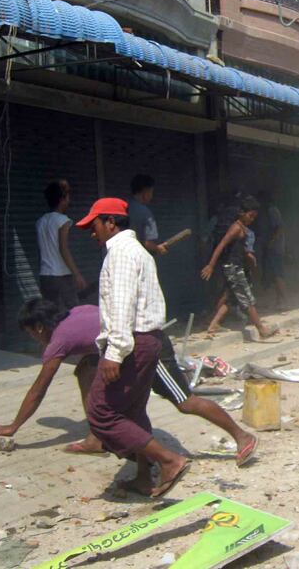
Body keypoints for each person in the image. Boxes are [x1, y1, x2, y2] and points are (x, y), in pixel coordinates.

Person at [0, 299, 258, 475]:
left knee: (184, 402)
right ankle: (98, 440)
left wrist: (13, 426)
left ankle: (241, 436)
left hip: (148, 348)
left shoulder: (59, 339)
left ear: (38, 327)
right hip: (125, 350)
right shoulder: (75, 312)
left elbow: (39, 387)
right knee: (86, 370)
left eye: (30, 334)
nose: (34, 339)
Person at [74, 197, 189, 498]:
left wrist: (114, 352)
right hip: (144, 340)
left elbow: (122, 306)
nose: (92, 232)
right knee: (134, 411)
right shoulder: (134, 251)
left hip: (131, 342)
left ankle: (169, 460)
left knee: (101, 413)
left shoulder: (122, 254)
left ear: (110, 222)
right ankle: (142, 476)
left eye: (94, 225)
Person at [202, 196, 277, 339]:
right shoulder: (236, 227)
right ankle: (262, 330)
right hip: (233, 268)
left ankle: (213, 324)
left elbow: (239, 248)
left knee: (230, 297)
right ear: (242, 213)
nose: (252, 219)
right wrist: (211, 265)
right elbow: (221, 245)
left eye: (254, 217)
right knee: (247, 298)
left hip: (235, 266)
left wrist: (249, 257)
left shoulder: (243, 229)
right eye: (250, 216)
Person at [36, 179, 87, 309]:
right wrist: (77, 274)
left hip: (45, 276)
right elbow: (63, 249)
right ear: (62, 199)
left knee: (51, 313)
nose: (69, 201)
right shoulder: (62, 220)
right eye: (68, 197)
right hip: (61, 275)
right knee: (72, 312)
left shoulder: (40, 221)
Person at [259, 191, 288, 310]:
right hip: (275, 247)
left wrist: (271, 243)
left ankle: (284, 300)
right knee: (274, 275)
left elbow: (279, 228)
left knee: (277, 274)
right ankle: (279, 300)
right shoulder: (271, 210)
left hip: (275, 248)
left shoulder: (272, 210)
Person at [127, 174, 168, 256]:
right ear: (145, 192)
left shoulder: (123, 208)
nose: (151, 196)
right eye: (151, 191)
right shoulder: (146, 213)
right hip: (139, 258)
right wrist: (158, 248)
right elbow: (148, 243)